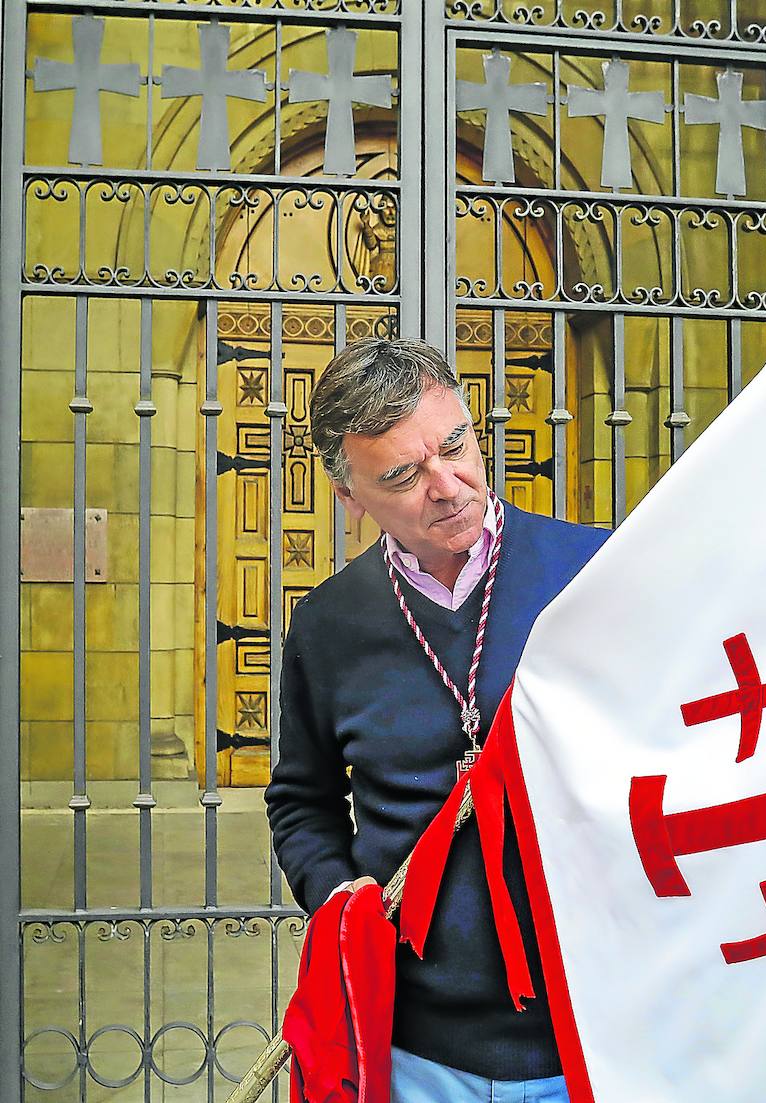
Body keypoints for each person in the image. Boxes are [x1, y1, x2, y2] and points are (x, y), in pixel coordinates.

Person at [264, 338, 608, 1103]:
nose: (448, 485)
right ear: (350, 494)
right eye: (402, 476)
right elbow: (300, 803)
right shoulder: (327, 625)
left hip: (594, 1028)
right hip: (415, 1047)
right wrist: (338, 897)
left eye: (455, 446)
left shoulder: (594, 574)